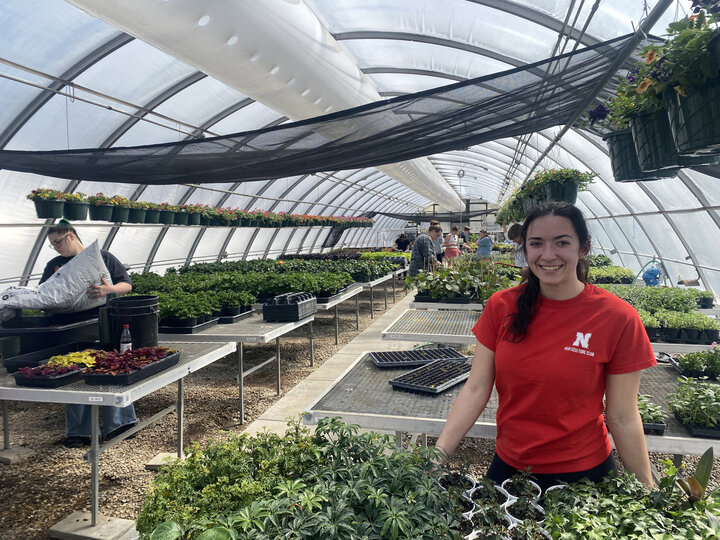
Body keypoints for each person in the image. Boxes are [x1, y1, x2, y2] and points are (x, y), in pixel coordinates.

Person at [435, 202, 655, 490]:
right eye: (536, 244)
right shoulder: (502, 307)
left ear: (583, 248)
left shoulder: (617, 317)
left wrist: (648, 491)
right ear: (525, 250)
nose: (548, 255)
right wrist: (435, 458)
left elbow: (622, 415)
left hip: (585, 476)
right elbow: (476, 389)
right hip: (510, 469)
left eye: (562, 242)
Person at [41, 220, 137, 448]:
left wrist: (108, 289)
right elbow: (43, 294)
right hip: (70, 331)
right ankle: (80, 432)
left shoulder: (102, 257)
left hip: (101, 325)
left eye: (58, 242)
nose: (56, 247)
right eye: (52, 244)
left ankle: (121, 423)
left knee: (110, 371)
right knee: (74, 377)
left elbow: (127, 285)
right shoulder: (54, 265)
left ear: (71, 236)